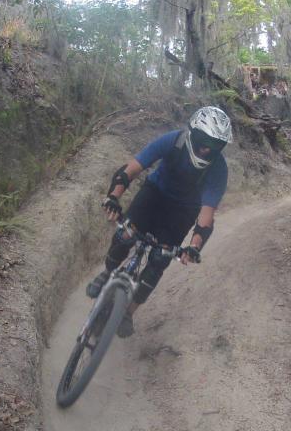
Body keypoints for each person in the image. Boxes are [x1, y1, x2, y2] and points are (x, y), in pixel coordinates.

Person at [86, 105, 233, 338]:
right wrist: (114, 197)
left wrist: (194, 247)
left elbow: (206, 217)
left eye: (215, 146)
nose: (207, 150)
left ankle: (128, 313)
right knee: (125, 235)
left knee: (159, 260)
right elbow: (130, 170)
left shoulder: (219, 170)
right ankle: (107, 272)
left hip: (182, 212)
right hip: (154, 194)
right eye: (204, 141)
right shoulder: (173, 141)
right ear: (193, 133)